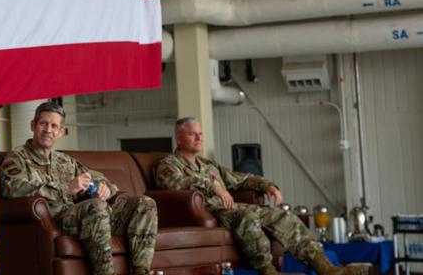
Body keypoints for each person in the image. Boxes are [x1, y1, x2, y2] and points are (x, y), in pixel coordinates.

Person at [154, 118, 363, 275]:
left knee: (282, 216)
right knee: (247, 218)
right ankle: (268, 271)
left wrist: (267, 186)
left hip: (231, 207)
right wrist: (213, 187)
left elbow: (240, 179)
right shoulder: (168, 165)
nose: (199, 138)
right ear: (179, 138)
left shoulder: (208, 165)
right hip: (210, 211)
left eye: (200, 133)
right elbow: (175, 184)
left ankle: (326, 269)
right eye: (192, 134)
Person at [0, 102, 157, 275]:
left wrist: (103, 189)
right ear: (33, 125)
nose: (48, 130)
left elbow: (99, 179)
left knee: (145, 203)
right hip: (56, 220)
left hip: (90, 217)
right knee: (96, 207)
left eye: (54, 126)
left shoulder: (65, 161)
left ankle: (142, 271)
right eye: (43, 123)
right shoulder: (17, 158)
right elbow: (12, 188)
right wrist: (65, 189)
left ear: (61, 132)